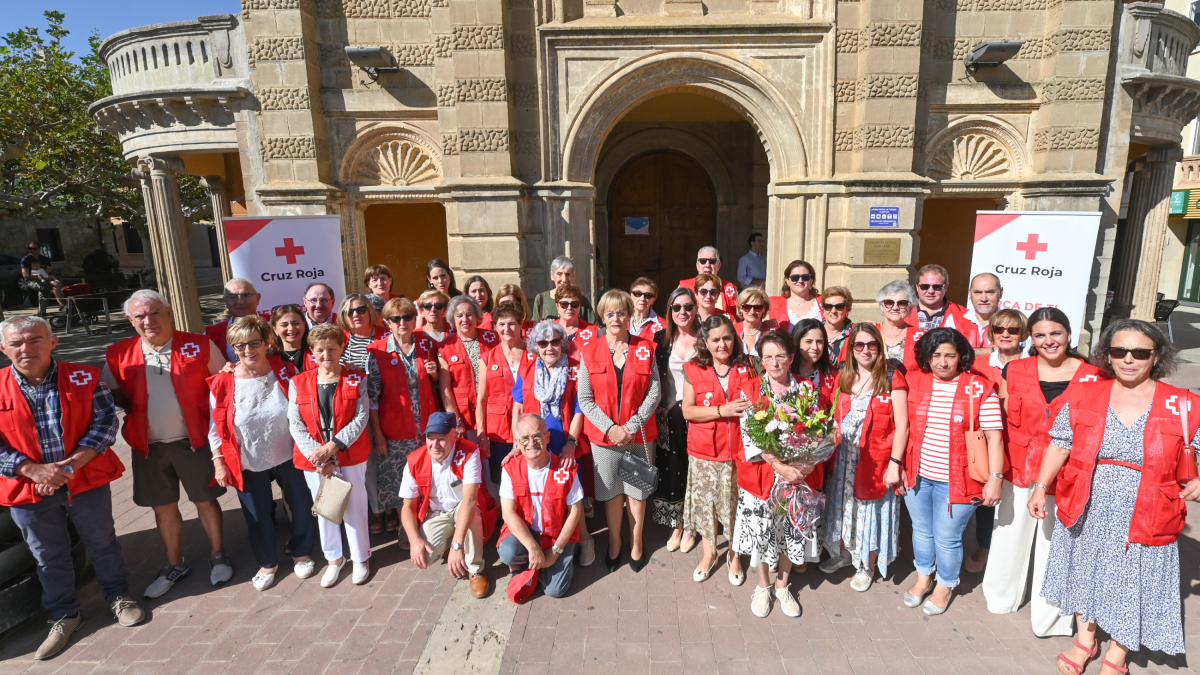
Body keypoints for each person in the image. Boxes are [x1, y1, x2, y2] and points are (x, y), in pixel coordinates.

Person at [1032, 320, 1200, 670]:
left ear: (1156, 356)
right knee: (1083, 570)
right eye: (1118, 351)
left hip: (1148, 507)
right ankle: (1085, 640)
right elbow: (1061, 442)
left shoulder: (1183, 404)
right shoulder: (1086, 393)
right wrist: (1039, 486)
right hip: (1086, 500)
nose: (1128, 359)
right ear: (1107, 355)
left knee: (1133, 581)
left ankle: (1118, 653)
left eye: (1139, 352)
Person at [0, 316, 142, 660]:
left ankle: (118, 596)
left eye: (35, 340)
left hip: (84, 480)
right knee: (47, 555)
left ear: (53, 342)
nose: (25, 348)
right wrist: (33, 470)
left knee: (102, 541)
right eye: (16, 343)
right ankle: (65, 614)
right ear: (3, 348)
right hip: (28, 488)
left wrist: (67, 467)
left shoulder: (85, 376)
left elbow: (105, 422)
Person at [982, 307, 1106, 636]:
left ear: (1068, 334)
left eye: (1055, 333)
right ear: (1031, 339)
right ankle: (1002, 597)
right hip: (1018, 467)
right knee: (1008, 534)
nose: (1048, 341)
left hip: (1067, 474)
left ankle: (1050, 617)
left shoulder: (1094, 376)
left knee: (1055, 545)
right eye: (1040, 335)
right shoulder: (1016, 369)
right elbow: (1005, 417)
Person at [102, 290, 231, 598]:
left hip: (194, 441)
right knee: (163, 507)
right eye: (140, 316)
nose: (149, 321)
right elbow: (112, 395)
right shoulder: (118, 353)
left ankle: (218, 554)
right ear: (130, 320)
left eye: (154, 313)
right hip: (149, 446)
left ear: (169, 312)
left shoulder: (199, 344)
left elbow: (223, 387)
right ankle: (174, 563)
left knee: (205, 500)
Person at [887, 328, 1004, 616]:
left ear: (961, 356)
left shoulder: (978, 386)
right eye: (936, 355)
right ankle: (924, 577)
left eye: (950, 355)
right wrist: (899, 464)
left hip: (960, 480)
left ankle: (945, 584)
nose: (942, 361)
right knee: (922, 531)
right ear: (926, 358)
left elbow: (994, 438)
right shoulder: (914, 381)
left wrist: (995, 479)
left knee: (948, 536)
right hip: (918, 474)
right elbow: (901, 426)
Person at [207, 316, 315, 591]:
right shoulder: (223, 382)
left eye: (254, 343)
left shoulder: (285, 368)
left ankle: (301, 552)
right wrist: (219, 462)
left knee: (301, 504)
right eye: (239, 346)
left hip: (290, 452)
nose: (247, 351)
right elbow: (214, 427)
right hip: (246, 457)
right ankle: (268, 563)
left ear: (267, 342)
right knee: (256, 514)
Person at [734, 330, 825, 618]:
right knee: (761, 531)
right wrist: (780, 466)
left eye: (781, 356)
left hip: (796, 475)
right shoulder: (750, 389)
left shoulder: (806, 390)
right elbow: (750, 434)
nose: (775, 363)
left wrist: (808, 463)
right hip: (762, 474)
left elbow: (818, 431)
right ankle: (763, 586)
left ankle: (783, 585)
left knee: (790, 530)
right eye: (768, 357)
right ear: (761, 360)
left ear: (791, 358)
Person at [577, 289, 661, 572]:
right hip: (604, 439)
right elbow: (585, 399)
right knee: (611, 492)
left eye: (621, 312)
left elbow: (655, 392)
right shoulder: (589, 352)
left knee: (636, 490)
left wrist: (630, 426)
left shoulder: (646, 348)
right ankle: (615, 541)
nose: (616, 318)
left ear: (629, 314)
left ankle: (636, 541)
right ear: (602, 317)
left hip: (639, 435)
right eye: (610, 313)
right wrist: (611, 428)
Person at [820, 323, 907, 592]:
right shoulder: (844, 376)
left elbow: (903, 425)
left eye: (872, 345)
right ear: (851, 349)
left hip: (876, 461)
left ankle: (866, 566)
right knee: (844, 510)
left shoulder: (891, 377)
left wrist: (895, 464)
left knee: (869, 514)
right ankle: (845, 555)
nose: (866, 350)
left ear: (880, 348)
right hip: (844, 459)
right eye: (859, 345)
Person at [287, 324, 372, 588]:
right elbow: (295, 422)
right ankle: (334, 559)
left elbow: (361, 417)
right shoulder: (298, 382)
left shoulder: (357, 377)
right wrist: (318, 455)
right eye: (320, 350)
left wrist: (333, 447)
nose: (326, 354)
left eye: (332, 349)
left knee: (354, 507)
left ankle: (360, 557)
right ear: (311, 352)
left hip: (350, 455)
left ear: (341, 348)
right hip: (313, 459)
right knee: (325, 508)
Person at [509, 320, 596, 565]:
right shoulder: (526, 368)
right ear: (535, 346)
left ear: (563, 344)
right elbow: (518, 406)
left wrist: (571, 442)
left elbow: (581, 409)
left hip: (565, 442)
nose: (549, 347)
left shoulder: (576, 369)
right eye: (543, 343)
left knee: (571, 495)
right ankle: (552, 540)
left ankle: (585, 539)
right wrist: (517, 442)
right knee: (544, 493)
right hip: (535, 444)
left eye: (555, 342)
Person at [681, 315, 752, 584]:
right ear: (705, 342)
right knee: (707, 506)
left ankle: (734, 555)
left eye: (727, 338)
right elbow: (688, 410)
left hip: (739, 452)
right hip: (705, 452)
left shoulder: (748, 366)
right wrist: (722, 410)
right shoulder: (693, 368)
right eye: (716, 340)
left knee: (734, 506)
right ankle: (709, 554)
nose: (723, 344)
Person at [367, 298, 443, 541]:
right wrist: (378, 434)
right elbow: (373, 399)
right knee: (401, 478)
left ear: (415, 318)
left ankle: (429, 522)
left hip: (426, 426)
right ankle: (406, 526)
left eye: (407, 317)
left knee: (429, 474)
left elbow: (438, 384)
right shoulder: (377, 351)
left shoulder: (427, 344)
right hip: (395, 429)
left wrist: (434, 376)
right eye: (395, 319)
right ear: (386, 322)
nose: (402, 323)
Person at [400, 412, 496, 599]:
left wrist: (457, 545)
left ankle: (476, 568)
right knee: (425, 556)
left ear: (454, 435)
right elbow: (407, 506)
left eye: (442, 439)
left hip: (465, 507)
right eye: (430, 438)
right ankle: (448, 540)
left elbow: (469, 500)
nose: (434, 445)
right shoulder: (414, 460)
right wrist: (414, 540)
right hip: (437, 512)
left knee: (472, 512)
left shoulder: (469, 452)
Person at [962, 308, 1028, 575]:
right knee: (987, 497)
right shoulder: (978, 365)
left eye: (1013, 330)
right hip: (987, 441)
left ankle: (1012, 555)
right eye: (999, 329)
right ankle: (984, 546)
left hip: (1020, 439)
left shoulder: (1032, 363)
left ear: (1023, 334)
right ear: (991, 332)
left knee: (1016, 500)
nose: (1005, 334)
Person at [499, 415, 585, 600]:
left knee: (555, 591)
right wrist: (533, 548)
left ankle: (549, 562)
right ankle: (531, 562)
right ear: (517, 442)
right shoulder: (510, 468)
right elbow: (507, 512)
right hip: (528, 535)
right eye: (525, 438)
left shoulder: (565, 468)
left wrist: (556, 552)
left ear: (547, 437)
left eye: (537, 436)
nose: (531, 443)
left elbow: (575, 512)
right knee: (507, 552)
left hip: (556, 536)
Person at [654, 288, 699, 553]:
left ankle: (692, 524)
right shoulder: (661, 339)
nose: (683, 312)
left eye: (687, 306)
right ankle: (677, 523)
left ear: (695, 309)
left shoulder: (706, 339)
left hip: (699, 416)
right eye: (676, 307)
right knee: (673, 468)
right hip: (668, 415)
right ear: (670, 311)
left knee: (695, 470)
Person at [476, 304, 525, 481]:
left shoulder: (534, 353)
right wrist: (481, 434)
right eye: (501, 324)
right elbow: (481, 399)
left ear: (521, 324)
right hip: (500, 431)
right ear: (495, 327)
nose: (506, 329)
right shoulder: (488, 357)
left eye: (512, 323)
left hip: (528, 426)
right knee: (502, 480)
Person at [439, 296, 498, 441]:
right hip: (466, 417)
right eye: (459, 315)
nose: (465, 319)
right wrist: (456, 421)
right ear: (453, 318)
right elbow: (445, 389)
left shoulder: (494, 338)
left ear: (477, 316)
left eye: (469, 314)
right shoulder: (444, 348)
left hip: (495, 412)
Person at [911, 264, 978, 341]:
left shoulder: (964, 315)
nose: (930, 291)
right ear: (917, 287)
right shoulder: (903, 312)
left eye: (937, 287)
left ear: (946, 287)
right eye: (925, 286)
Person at [205, 278, 262, 362]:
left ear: (258, 298)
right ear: (225, 301)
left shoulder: (276, 325)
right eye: (233, 297)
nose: (240, 302)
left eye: (246, 295)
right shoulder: (210, 335)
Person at [531, 256, 598, 323]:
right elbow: (534, 327)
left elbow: (595, 328)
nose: (564, 279)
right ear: (552, 276)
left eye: (567, 274)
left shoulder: (581, 300)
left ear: (573, 276)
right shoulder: (541, 299)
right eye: (559, 274)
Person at [790, 318, 837, 406]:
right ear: (797, 342)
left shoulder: (833, 375)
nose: (815, 347)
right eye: (809, 341)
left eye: (819, 342)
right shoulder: (785, 373)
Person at [876, 280, 920, 373]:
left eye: (902, 303)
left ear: (910, 307)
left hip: (910, 387)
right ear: (881, 306)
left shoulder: (921, 337)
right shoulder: (869, 333)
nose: (895, 307)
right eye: (889, 302)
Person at [679, 246, 739, 312]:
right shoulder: (684, 286)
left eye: (712, 261)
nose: (707, 265)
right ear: (697, 266)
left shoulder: (730, 288)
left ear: (718, 266)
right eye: (703, 261)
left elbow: (738, 317)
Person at [337, 294, 387, 372]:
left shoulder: (388, 337)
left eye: (361, 310)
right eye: (350, 312)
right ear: (343, 316)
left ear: (370, 311)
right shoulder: (339, 338)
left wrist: (361, 372)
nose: (355, 315)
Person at [769, 260, 822, 331]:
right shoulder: (772, 303)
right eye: (795, 277)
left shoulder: (824, 301)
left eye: (805, 277)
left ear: (811, 280)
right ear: (787, 280)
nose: (800, 281)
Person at [20, 242, 64, 315]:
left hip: (45, 281)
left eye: (34, 249)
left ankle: (40, 316)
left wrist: (51, 271)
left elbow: (51, 272)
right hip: (33, 281)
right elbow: (25, 275)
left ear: (39, 249)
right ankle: (61, 305)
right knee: (55, 284)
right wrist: (40, 278)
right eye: (30, 249)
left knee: (44, 299)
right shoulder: (26, 260)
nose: (32, 250)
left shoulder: (44, 259)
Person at [963, 272, 1003, 349]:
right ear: (970, 293)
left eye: (990, 292)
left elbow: (1018, 354)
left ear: (1000, 293)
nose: (983, 299)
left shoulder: (1013, 323)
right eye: (978, 292)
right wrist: (995, 350)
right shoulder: (954, 319)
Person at [553, 284, 598, 353]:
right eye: (564, 304)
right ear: (557, 306)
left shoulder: (594, 331)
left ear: (580, 306)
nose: (569, 308)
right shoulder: (549, 329)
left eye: (574, 304)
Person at [272, 304, 313, 372]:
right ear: (275, 329)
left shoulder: (317, 353)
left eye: (296, 323)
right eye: (284, 325)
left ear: (304, 325)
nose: (291, 328)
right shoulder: (269, 359)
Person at [734, 286, 773, 358]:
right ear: (740, 308)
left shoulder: (771, 331)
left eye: (757, 307)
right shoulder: (732, 330)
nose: (752, 312)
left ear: (764, 309)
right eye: (747, 307)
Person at [821, 286, 853, 369]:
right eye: (828, 306)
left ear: (847, 309)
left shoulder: (856, 333)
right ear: (823, 309)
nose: (833, 311)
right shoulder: (814, 331)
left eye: (839, 307)